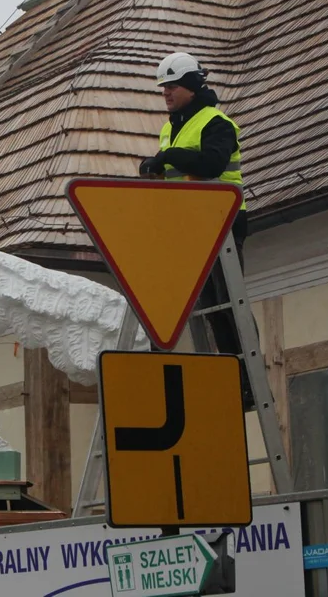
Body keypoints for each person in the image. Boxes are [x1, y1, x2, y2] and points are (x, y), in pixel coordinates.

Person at [139, 52, 254, 407]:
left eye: (172, 86)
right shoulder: (171, 126)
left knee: (227, 301)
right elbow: (175, 172)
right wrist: (154, 169)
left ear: (191, 85)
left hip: (222, 219)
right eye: (163, 88)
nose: (166, 93)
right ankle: (227, 377)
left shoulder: (215, 122)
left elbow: (212, 163)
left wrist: (170, 157)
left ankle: (247, 379)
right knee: (209, 306)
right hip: (190, 225)